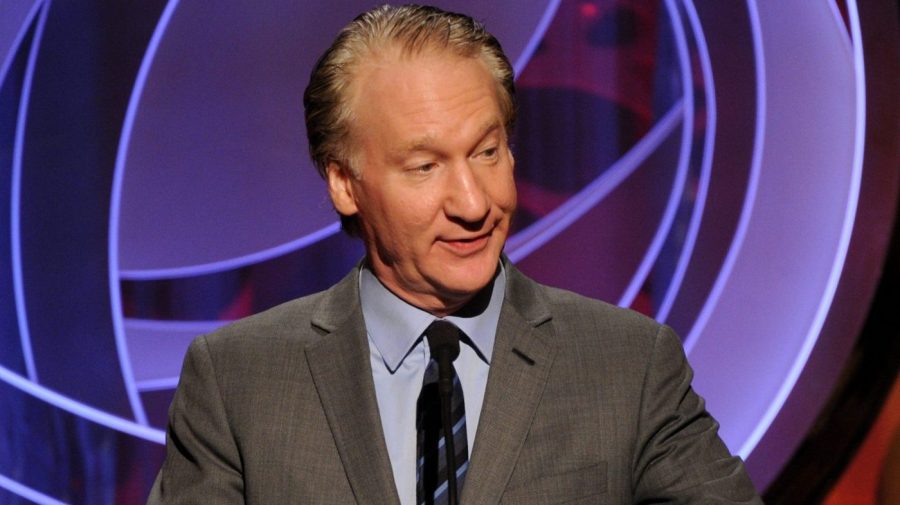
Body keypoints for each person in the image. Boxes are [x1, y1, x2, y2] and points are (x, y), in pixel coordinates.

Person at [148, 4, 762, 504]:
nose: (474, 203)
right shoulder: (237, 381)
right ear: (344, 183)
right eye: (425, 166)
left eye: (487, 153)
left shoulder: (629, 365)